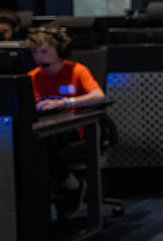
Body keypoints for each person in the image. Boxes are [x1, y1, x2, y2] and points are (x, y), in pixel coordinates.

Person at [25, 24, 106, 217]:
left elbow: (98, 96)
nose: (39, 56)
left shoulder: (76, 70)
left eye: (45, 51)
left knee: (42, 145)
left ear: (60, 50)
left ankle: (72, 185)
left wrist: (65, 102)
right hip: (43, 126)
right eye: (35, 52)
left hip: (74, 128)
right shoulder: (31, 77)